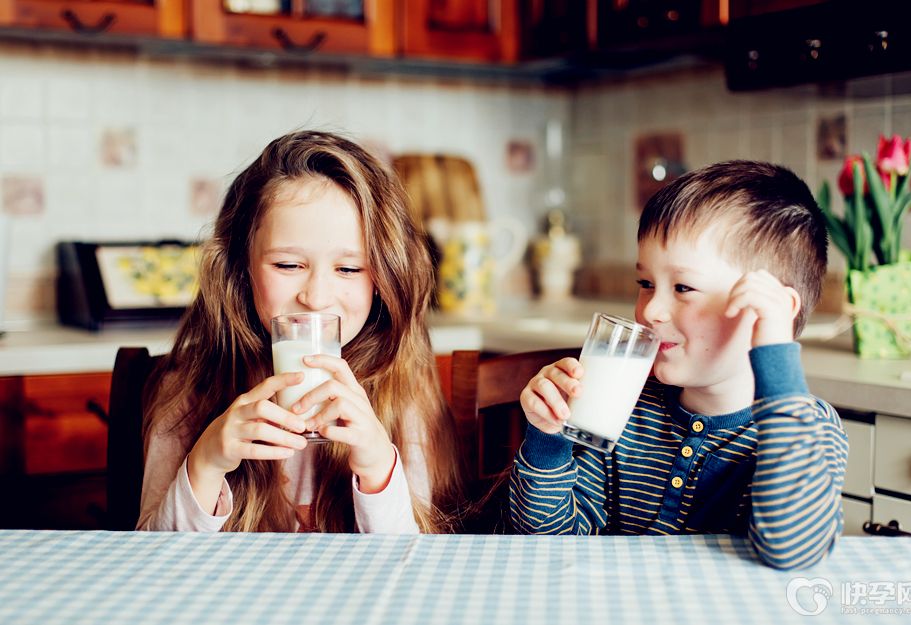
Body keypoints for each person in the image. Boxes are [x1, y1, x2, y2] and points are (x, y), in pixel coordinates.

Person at [509, 160, 848, 569]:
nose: (651, 309)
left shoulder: (806, 427)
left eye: (683, 287)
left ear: (770, 309)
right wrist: (548, 440)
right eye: (646, 283)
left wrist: (775, 350)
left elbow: (792, 550)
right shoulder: (624, 408)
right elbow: (547, 544)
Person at [138, 130, 462, 533]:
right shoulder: (189, 393)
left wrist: (378, 468)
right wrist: (205, 464)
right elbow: (153, 563)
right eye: (288, 266)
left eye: (349, 269)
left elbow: (412, 570)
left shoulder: (403, 393)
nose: (316, 297)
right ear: (241, 268)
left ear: (383, 278)